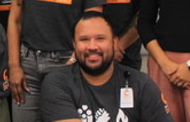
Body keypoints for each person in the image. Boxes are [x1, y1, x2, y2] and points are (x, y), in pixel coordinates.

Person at [40, 11, 172, 122]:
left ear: (114, 43)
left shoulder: (141, 84)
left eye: (100, 38)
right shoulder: (58, 82)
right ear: (74, 44)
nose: (92, 47)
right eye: (84, 39)